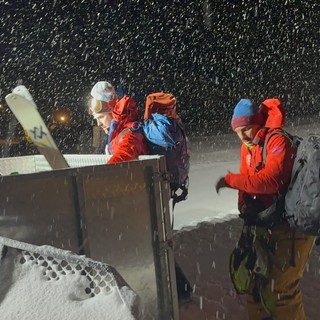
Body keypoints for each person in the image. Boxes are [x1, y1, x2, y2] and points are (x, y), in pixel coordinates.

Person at [215, 98, 315, 320]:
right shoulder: (247, 147)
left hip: (291, 226)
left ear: (257, 122)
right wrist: (244, 202)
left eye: (247, 128)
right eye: (238, 132)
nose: (243, 136)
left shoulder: (277, 140)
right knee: (255, 283)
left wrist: (231, 180)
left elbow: (271, 180)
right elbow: (250, 179)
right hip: (266, 223)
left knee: (283, 289)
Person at [88, 81, 148, 163]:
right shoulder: (117, 134)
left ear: (113, 112)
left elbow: (124, 154)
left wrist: (100, 173)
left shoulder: (130, 133)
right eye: (96, 119)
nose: (99, 124)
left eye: (101, 117)